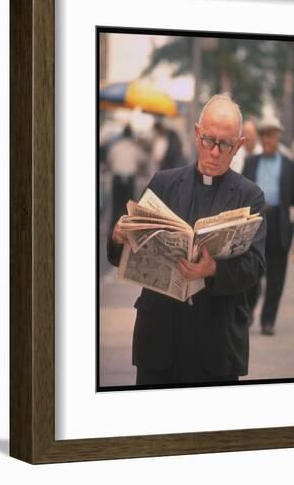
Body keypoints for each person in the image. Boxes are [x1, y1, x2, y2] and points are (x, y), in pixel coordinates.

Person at [107, 93, 266, 387]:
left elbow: (255, 266)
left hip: (216, 346)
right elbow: (121, 255)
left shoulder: (250, 196)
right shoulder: (163, 183)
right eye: (208, 140)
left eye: (225, 144)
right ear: (196, 134)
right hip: (158, 341)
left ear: (239, 146)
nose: (215, 152)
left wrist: (213, 270)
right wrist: (119, 237)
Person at [242, 115, 294, 336]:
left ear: (278, 138)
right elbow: (241, 193)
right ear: (261, 138)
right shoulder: (251, 162)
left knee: (276, 278)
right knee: (250, 272)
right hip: (255, 222)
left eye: (272, 135)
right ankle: (248, 311)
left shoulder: (290, 166)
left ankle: (268, 321)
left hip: (279, 224)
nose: (268, 139)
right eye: (265, 135)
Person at [107, 124, 146, 233]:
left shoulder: (116, 146)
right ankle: (128, 231)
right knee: (128, 209)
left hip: (117, 179)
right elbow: (142, 161)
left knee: (116, 208)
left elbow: (109, 161)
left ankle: (113, 232)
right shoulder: (135, 147)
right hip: (130, 179)